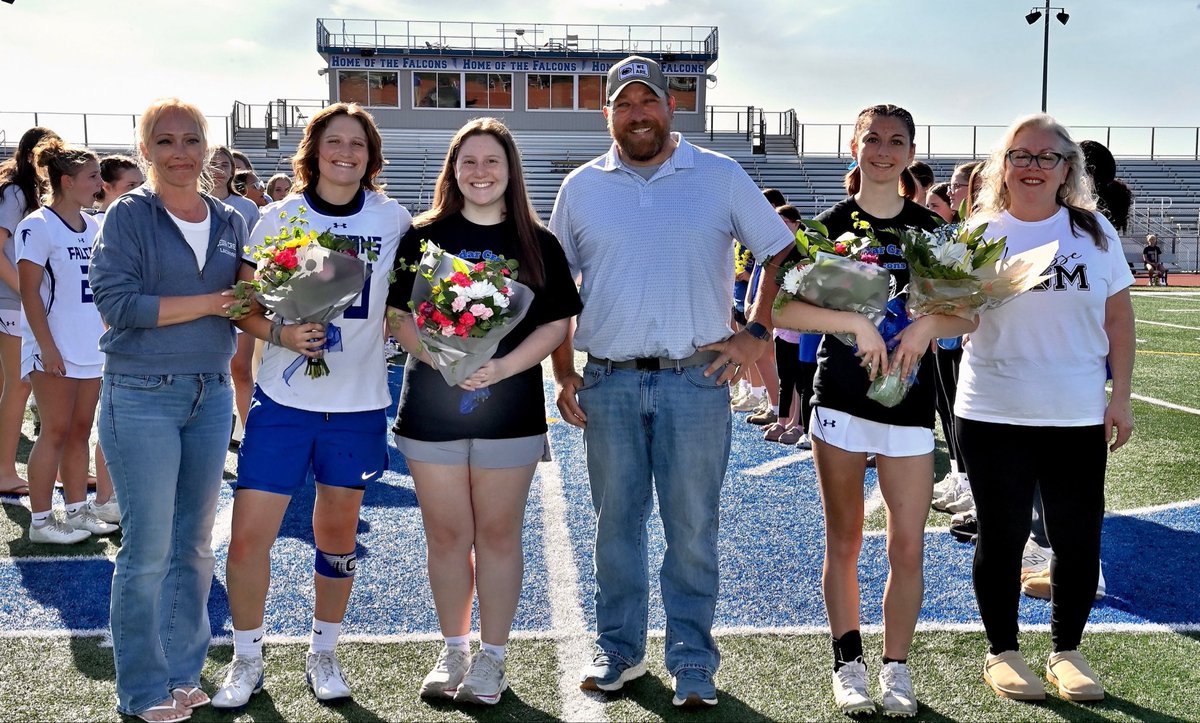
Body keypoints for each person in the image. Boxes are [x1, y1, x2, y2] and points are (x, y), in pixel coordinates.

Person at [549, 55, 795, 709]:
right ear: (608, 114)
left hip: (696, 379)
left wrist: (758, 332)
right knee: (615, 525)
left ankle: (692, 659)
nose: (638, 114)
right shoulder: (581, 186)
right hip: (611, 379)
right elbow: (554, 288)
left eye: (648, 101)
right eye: (624, 104)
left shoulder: (719, 174)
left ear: (671, 108)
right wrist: (563, 368)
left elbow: (780, 251)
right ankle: (620, 651)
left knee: (692, 527)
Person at [774, 104, 974, 718]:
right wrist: (853, 322)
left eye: (896, 141)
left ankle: (897, 669)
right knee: (847, 539)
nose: (883, 151)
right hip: (841, 399)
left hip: (910, 406)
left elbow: (967, 312)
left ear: (910, 152)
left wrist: (922, 332)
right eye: (872, 140)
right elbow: (783, 309)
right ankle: (848, 662)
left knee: (908, 545)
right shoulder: (830, 225)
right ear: (854, 148)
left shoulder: (933, 231)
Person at [214, 102, 409, 709]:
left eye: (357, 143)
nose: (345, 153)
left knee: (338, 536)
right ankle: (247, 658)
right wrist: (282, 335)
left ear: (370, 155)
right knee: (248, 540)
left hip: (357, 404)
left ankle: (323, 648)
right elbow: (242, 304)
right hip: (285, 399)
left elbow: (405, 306)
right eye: (334, 142)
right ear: (314, 149)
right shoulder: (277, 218)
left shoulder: (393, 219)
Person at [386, 117, 582, 705]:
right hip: (432, 409)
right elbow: (399, 318)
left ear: (509, 170)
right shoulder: (423, 237)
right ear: (453, 169)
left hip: (509, 409)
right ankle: (453, 649)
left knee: (497, 535)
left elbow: (556, 323)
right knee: (446, 535)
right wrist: (444, 359)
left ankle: (492, 658)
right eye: (467, 161)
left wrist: (501, 366)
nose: (479, 172)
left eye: (491, 161)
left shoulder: (537, 241)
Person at [956, 113, 1134, 703]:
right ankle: (1003, 651)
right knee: (1002, 538)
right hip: (992, 410)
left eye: (1046, 156)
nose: (1032, 166)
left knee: (1079, 538)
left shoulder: (1096, 235)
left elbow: (1118, 321)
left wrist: (1122, 397)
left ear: (1066, 169)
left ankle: (1066, 650)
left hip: (1076, 412)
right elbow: (958, 319)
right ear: (1002, 168)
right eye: (1020, 155)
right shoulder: (977, 234)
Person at [90, 97, 251, 723]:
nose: (180, 153)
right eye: (165, 141)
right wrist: (214, 302)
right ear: (144, 152)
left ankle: (185, 674)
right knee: (147, 550)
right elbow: (120, 305)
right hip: (142, 394)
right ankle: (142, 689)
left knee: (195, 548)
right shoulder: (129, 215)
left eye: (191, 140)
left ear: (208, 148)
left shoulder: (230, 219)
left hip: (210, 395)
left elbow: (245, 301)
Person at [16, 138, 116, 544]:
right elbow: (28, 293)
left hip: (89, 346)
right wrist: (47, 346)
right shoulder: (36, 226)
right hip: (53, 346)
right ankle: (41, 522)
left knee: (79, 431)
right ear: (66, 180)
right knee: (53, 432)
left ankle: (76, 511)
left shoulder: (93, 225)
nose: (98, 181)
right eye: (92, 175)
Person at [0, 126, 59, 496]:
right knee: (19, 386)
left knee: (15, 385)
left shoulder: (36, 193)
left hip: (23, 302)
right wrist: (27, 293)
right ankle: (5, 471)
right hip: (12, 303)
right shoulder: (16, 192)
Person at [208, 146, 261, 447]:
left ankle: (252, 442)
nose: (219, 168)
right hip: (202, 302)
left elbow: (254, 256)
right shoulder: (188, 203)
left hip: (238, 297)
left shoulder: (246, 207)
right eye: (213, 163)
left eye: (225, 164)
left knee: (241, 370)